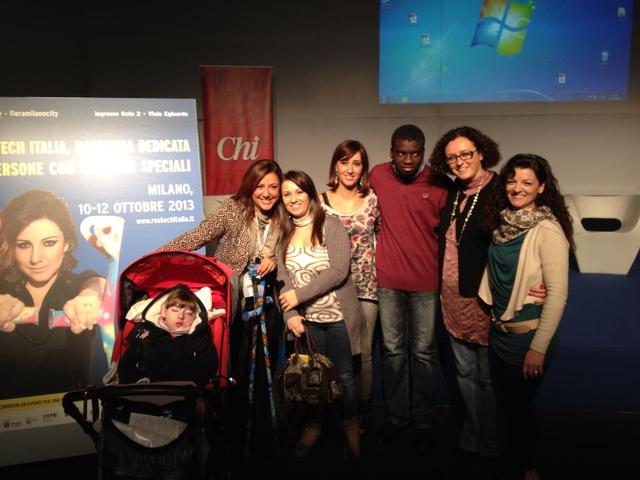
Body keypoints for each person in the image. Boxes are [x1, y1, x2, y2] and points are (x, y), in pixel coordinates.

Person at [159, 159, 284, 460]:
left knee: (266, 370)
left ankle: (263, 434)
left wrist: (276, 259)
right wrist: (160, 256)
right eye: (261, 186)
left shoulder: (285, 215)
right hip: (234, 301)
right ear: (250, 186)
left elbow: (294, 248)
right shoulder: (233, 210)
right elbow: (198, 235)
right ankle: (230, 435)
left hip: (269, 304)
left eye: (273, 187)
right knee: (233, 367)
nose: (267, 193)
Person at [478, 154, 573, 480]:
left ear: (541, 187)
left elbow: (557, 294)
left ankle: (528, 469)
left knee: (519, 411)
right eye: (512, 180)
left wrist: (538, 348)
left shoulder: (547, 230)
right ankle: (511, 464)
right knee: (506, 408)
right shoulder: (503, 223)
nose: (517, 188)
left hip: (528, 338)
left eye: (527, 182)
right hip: (499, 334)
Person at [369, 124, 449, 451]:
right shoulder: (377, 175)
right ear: (392, 152)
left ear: (423, 152)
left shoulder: (440, 183)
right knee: (392, 353)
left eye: (415, 153)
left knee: (424, 353)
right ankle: (396, 418)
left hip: (426, 283)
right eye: (401, 153)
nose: (408, 160)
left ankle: (424, 419)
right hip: (388, 281)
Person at [277, 170, 362, 459]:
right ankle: (314, 427)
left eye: (298, 192)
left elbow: (338, 271)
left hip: (338, 318)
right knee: (312, 378)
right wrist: (290, 314)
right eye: (287, 194)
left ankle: (351, 427)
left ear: (310, 193)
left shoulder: (330, 225)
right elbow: (282, 279)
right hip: (307, 322)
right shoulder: (284, 231)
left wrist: (298, 296)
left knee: (344, 377)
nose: (293, 199)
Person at [0, 189, 107, 398]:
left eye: (49, 243)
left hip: (73, 412)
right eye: (23, 245)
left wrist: (88, 299)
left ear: (67, 243)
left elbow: (97, 285)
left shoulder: (79, 284)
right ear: (11, 246)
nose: (36, 258)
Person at [320, 139, 379, 431]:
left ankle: (362, 416)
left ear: (363, 168)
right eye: (345, 162)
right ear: (335, 165)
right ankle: (335, 415)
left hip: (366, 287)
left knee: (363, 355)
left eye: (357, 163)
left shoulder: (373, 200)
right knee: (333, 358)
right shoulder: (319, 202)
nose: (350, 169)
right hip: (330, 290)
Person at [118, 285, 217, 385]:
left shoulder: (200, 335)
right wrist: (137, 383)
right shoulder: (144, 330)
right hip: (145, 388)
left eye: (188, 313)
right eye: (174, 310)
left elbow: (208, 366)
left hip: (185, 389)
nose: (180, 316)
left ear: (195, 316)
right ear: (164, 312)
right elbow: (127, 364)